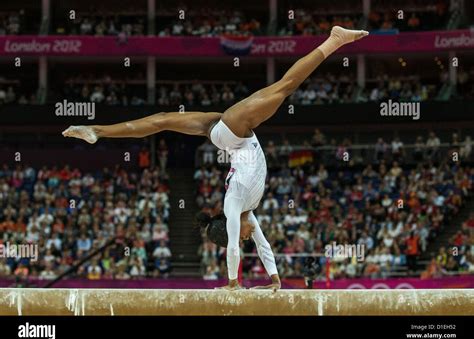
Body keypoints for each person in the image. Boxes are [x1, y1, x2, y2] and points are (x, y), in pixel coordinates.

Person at [63, 26, 369, 291]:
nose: (250, 237)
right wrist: (275, 279)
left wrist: (233, 283)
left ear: (232, 226)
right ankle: (96, 131)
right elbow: (263, 247)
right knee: (162, 120)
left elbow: (234, 245)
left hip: (235, 133)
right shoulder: (249, 210)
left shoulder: (234, 204)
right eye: (248, 235)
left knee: (287, 86)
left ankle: (335, 40)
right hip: (227, 135)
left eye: (243, 235)